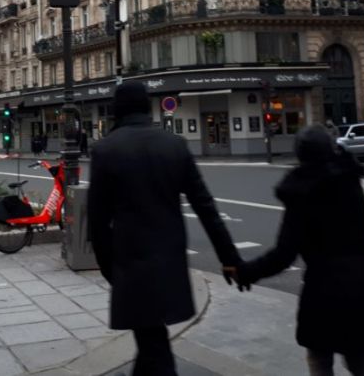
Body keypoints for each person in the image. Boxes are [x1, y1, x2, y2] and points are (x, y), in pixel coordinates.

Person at [87, 81, 245, 376]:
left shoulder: (106, 150)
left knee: (151, 342)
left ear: (117, 110)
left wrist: (109, 267)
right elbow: (206, 207)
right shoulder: (174, 145)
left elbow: (97, 220)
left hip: (130, 262)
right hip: (169, 259)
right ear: (148, 107)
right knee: (152, 339)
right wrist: (229, 257)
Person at [235, 125, 364, 376]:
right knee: (360, 359)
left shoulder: (302, 193)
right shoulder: (357, 185)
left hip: (323, 290)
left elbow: (283, 255)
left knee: (319, 358)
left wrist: (247, 272)